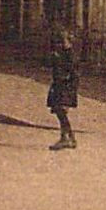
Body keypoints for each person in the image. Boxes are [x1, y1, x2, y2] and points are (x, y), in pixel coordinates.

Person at [46, 21, 79, 151]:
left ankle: (66, 137)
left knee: (60, 110)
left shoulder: (69, 53)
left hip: (65, 84)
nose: (60, 42)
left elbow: (73, 70)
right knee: (59, 111)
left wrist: (68, 84)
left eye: (63, 40)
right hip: (61, 83)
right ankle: (68, 137)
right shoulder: (63, 52)